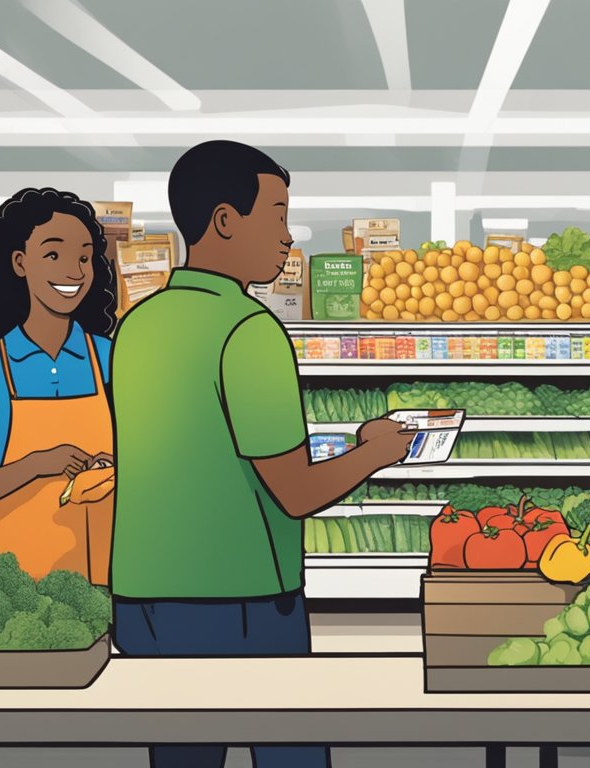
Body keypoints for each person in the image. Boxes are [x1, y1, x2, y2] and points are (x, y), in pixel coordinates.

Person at [109, 140, 415, 768]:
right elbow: (297, 492)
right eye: (276, 215)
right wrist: (374, 454)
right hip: (242, 602)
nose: (286, 235)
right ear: (225, 220)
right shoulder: (249, 330)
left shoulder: (136, 325)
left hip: (144, 601)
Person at [0, 188, 118, 585]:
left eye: (84, 257)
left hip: (101, 576)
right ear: (19, 262)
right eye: (53, 255)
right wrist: (36, 465)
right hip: (8, 584)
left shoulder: (111, 359)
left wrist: (118, 465)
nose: (74, 272)